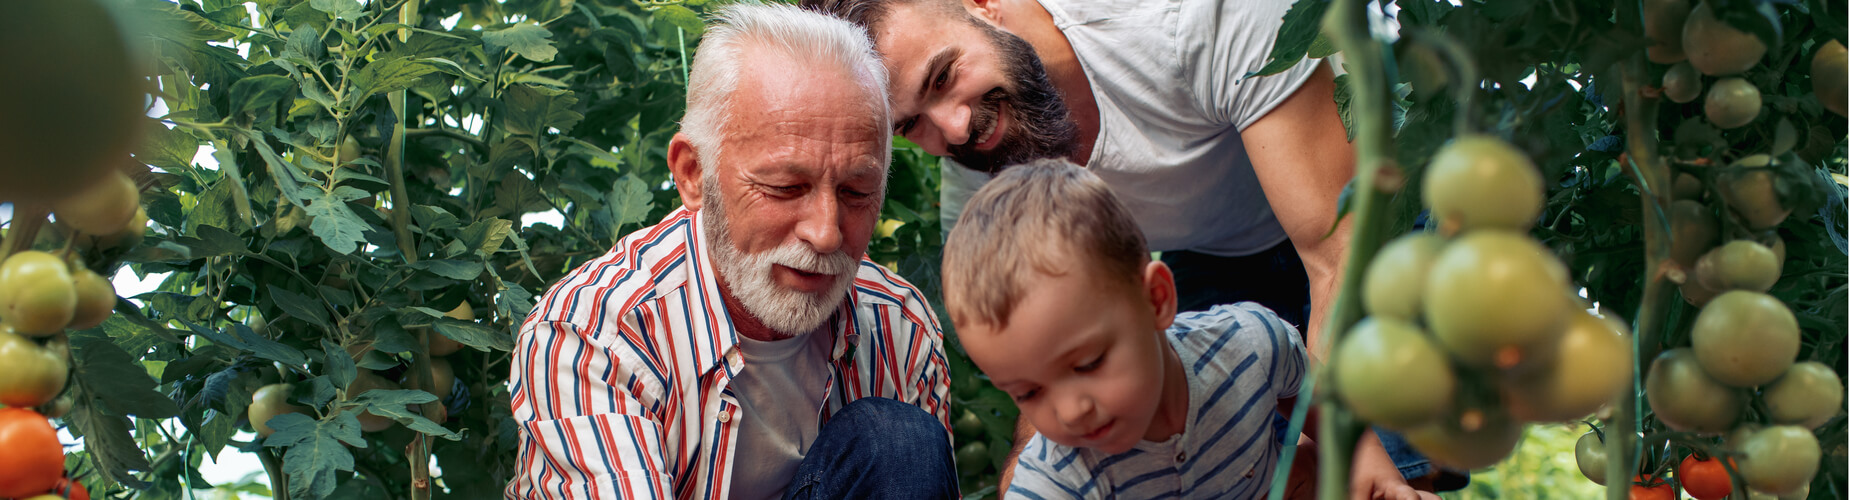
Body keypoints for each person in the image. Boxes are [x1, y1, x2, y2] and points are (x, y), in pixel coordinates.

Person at [800, 0, 1454, 492]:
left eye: (943, 78)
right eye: (912, 124)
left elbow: (1337, 259)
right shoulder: (981, 175)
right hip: (1210, 253)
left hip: (1355, 217)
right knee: (1243, 464)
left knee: (1394, 464)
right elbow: (1040, 354)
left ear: (983, 4)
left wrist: (1367, 454)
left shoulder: (1191, 20)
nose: (956, 127)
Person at [505, 4, 958, 499]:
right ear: (693, 174)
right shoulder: (594, 339)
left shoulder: (899, 327)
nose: (827, 234)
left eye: (856, 192)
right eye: (786, 187)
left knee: (899, 443)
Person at [940, 159, 1423, 499]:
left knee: (1311, 468)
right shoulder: (1057, 476)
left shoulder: (1247, 343)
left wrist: (1371, 466)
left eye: (1088, 363)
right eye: (1026, 393)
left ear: (1157, 300)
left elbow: (1309, 388)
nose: (1069, 411)